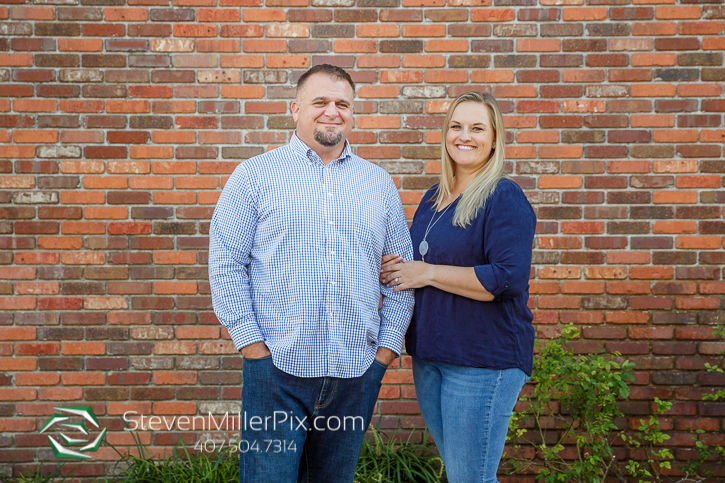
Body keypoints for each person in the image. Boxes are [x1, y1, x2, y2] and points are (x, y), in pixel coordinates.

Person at [208, 64, 415, 483]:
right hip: (276, 372)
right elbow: (226, 263)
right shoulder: (254, 176)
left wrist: (385, 353)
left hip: (355, 373)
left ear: (353, 112)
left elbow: (400, 276)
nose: (331, 112)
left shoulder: (378, 184)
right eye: (320, 102)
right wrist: (252, 346)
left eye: (342, 104)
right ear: (296, 108)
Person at [380, 91, 536, 483]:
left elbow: (505, 278)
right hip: (432, 356)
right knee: (464, 475)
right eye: (456, 126)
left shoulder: (504, 197)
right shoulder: (434, 197)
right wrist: (396, 269)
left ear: (495, 139)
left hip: (482, 361)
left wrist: (427, 272)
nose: (464, 136)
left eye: (477, 128)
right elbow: (418, 262)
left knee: (472, 479)